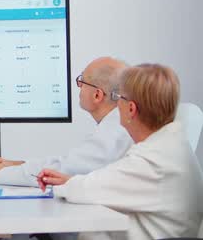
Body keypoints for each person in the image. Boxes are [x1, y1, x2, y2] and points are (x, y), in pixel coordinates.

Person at [37, 64, 203, 239]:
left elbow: (87, 190)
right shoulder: (170, 146)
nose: (115, 105)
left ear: (131, 109)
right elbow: (106, 183)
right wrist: (70, 180)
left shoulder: (151, 161)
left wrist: (65, 185)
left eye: (118, 98)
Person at [0, 57, 133, 186]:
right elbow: (67, 161)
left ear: (97, 95)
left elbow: (64, 170)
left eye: (82, 81)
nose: (79, 86)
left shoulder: (115, 132)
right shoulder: (116, 125)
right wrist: (14, 165)